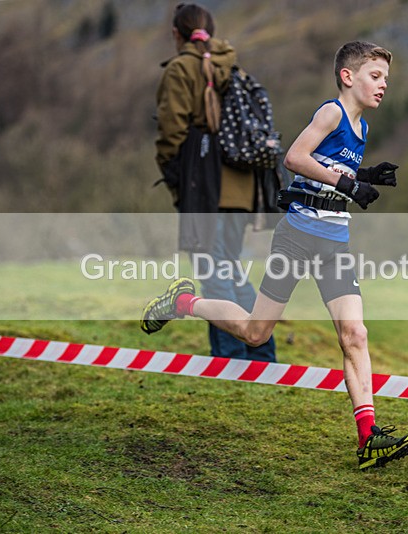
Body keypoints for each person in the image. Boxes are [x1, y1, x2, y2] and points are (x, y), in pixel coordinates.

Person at [142, 41, 408, 470]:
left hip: (335, 241)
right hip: (297, 237)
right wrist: (348, 185)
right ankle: (184, 303)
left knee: (355, 334)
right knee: (255, 332)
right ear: (348, 77)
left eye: (386, 79)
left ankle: (368, 439)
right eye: (375, 76)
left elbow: (325, 169)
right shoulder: (331, 112)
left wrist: (364, 175)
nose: (383, 86)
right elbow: (295, 158)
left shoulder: (362, 128)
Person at [153, 3, 276, 362]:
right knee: (230, 267)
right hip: (240, 188)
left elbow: (170, 134)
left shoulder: (182, 69)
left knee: (215, 272)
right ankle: (261, 353)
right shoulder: (232, 67)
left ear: (177, 34)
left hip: (204, 188)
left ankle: (236, 359)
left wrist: (176, 181)